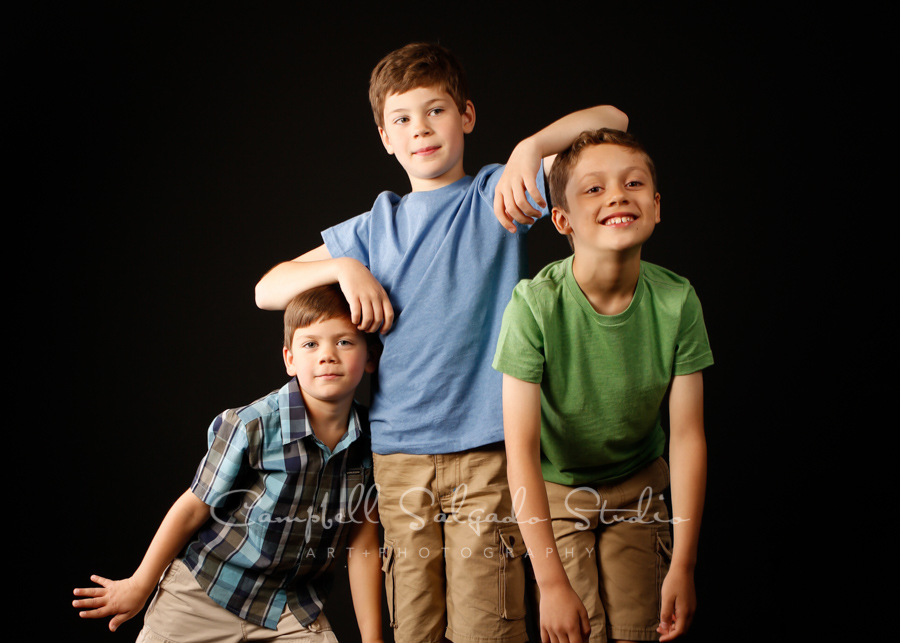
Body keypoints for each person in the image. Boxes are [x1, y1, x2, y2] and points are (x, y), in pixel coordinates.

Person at [254, 42, 627, 643]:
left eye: (436, 111)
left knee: (488, 627)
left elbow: (614, 121)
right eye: (402, 119)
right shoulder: (374, 228)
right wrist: (344, 269)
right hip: (400, 457)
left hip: (486, 452)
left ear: (467, 117)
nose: (420, 130)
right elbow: (267, 288)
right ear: (385, 137)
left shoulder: (498, 197)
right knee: (416, 629)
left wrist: (529, 148)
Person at [493, 129, 713, 643]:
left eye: (633, 183)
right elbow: (520, 450)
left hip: (637, 487)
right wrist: (550, 582)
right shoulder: (534, 305)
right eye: (594, 188)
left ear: (656, 207)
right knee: (577, 630)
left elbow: (686, 438)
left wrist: (684, 562)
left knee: (641, 631)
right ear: (563, 219)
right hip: (557, 491)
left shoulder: (677, 301)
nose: (617, 195)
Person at [73, 284, 383, 643]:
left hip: (289, 607)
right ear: (290, 359)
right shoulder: (251, 424)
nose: (327, 355)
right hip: (206, 591)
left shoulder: (373, 441)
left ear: (370, 356)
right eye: (311, 344)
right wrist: (140, 585)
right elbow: (192, 508)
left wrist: (372, 639)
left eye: (344, 342)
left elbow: (362, 543)